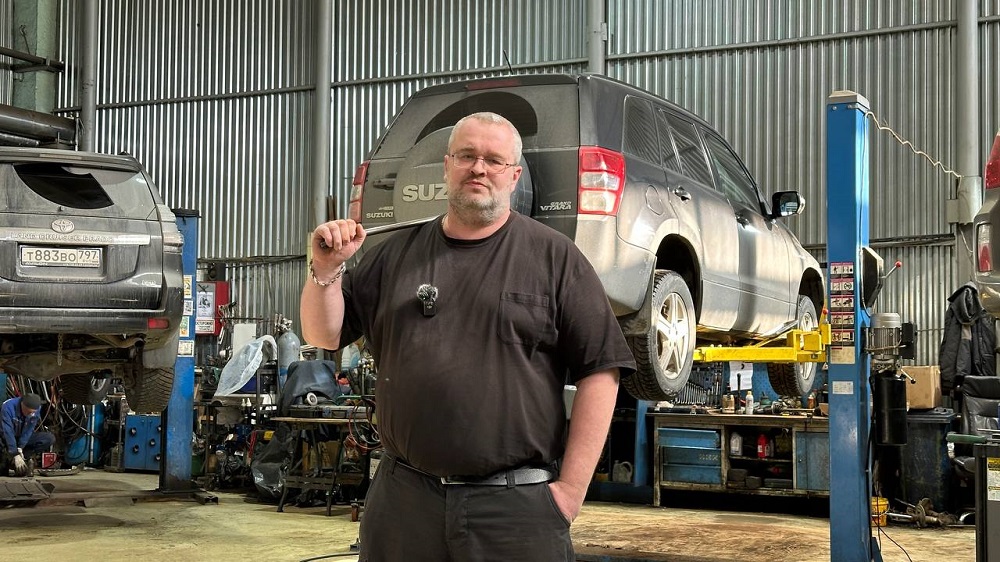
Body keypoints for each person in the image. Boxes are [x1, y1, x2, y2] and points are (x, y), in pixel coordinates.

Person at [301, 111, 636, 561]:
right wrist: (326, 269)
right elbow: (323, 334)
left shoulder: (555, 259)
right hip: (404, 504)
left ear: (514, 175)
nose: (479, 168)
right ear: (446, 166)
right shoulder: (392, 257)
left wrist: (570, 492)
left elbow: (601, 371)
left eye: (494, 160)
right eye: (466, 156)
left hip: (515, 508)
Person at [1, 393, 55, 477]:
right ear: (22, 404)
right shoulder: (8, 407)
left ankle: (24, 458)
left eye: (33, 412)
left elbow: (29, 430)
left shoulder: (36, 409)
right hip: (5, 438)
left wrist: (20, 448)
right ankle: (8, 459)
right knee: (2, 470)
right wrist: (14, 453)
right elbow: (7, 431)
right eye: (29, 412)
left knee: (49, 438)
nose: (31, 414)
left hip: (21, 437)